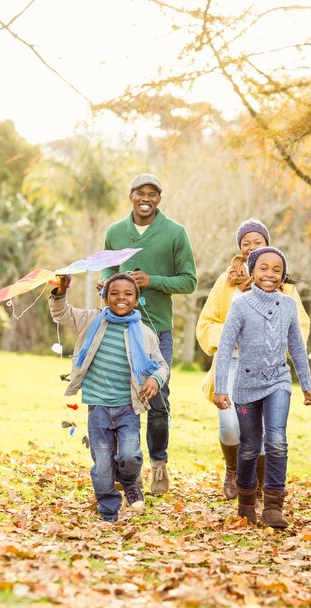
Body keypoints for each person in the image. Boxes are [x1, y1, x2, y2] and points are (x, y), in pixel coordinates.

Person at [196, 218, 310, 507]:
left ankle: (257, 488)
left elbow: (299, 327)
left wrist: (273, 343)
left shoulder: (282, 284)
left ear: (267, 245)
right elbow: (206, 322)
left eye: (257, 242)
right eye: (245, 243)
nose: (251, 247)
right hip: (233, 363)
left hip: (268, 366)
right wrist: (229, 335)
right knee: (230, 426)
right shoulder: (226, 282)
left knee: (262, 431)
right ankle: (232, 470)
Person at [98, 173, 197, 495]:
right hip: (118, 328)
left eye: (152, 194)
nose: (146, 198)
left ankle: (158, 464)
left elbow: (189, 281)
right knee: (116, 396)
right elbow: (107, 269)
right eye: (140, 193)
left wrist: (152, 280)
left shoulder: (174, 233)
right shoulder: (115, 231)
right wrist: (106, 283)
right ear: (130, 196)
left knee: (157, 398)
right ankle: (122, 467)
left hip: (157, 330)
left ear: (159, 199)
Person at [49, 273, 169, 523]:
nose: (121, 298)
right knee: (102, 465)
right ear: (104, 296)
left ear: (137, 300)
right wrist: (60, 291)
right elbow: (62, 314)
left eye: (128, 294)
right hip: (98, 406)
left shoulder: (145, 333)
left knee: (129, 456)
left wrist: (154, 379)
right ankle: (108, 511)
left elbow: (161, 366)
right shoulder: (92, 320)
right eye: (114, 293)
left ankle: (128, 480)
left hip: (128, 407)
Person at [213, 246, 311, 528]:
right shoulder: (241, 304)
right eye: (264, 268)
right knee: (249, 447)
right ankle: (246, 498)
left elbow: (296, 345)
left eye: (277, 270)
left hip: (278, 381)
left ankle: (273, 505)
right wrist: (220, 387)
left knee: (277, 441)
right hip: (246, 385)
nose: (270, 274)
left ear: (283, 276)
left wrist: (306, 383)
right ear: (253, 270)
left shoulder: (289, 306)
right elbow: (223, 349)